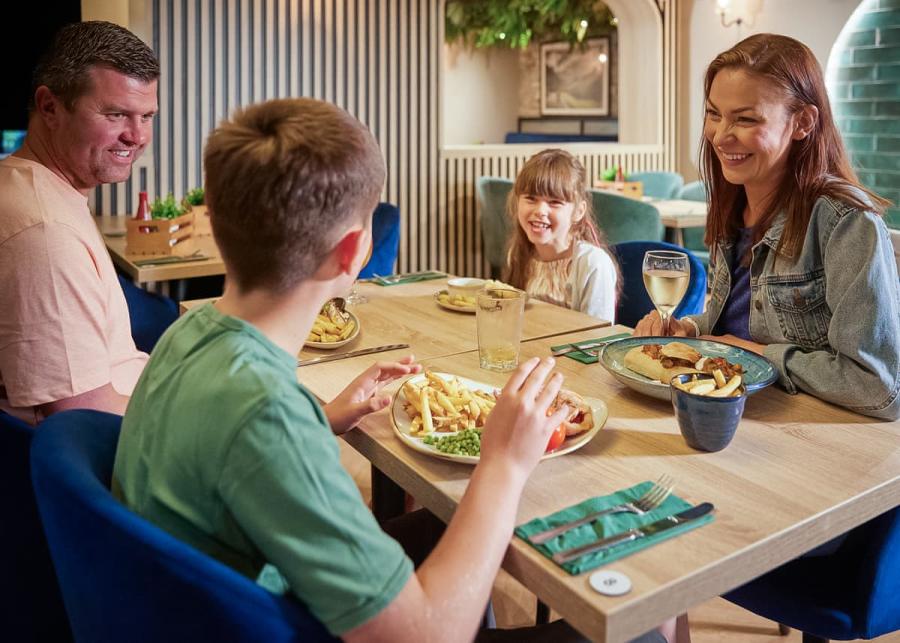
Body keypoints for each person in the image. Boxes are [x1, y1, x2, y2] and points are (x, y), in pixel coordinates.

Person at [113, 98, 676, 643]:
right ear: (354, 250)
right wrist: (503, 462)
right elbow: (429, 635)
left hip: (219, 604)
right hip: (296, 620)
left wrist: (325, 416)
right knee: (648, 628)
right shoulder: (265, 414)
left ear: (216, 225)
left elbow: (236, 438)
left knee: (441, 517)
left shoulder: (187, 333)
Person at [635, 34, 900, 421]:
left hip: (813, 439)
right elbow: (737, 323)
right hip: (738, 417)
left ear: (803, 122)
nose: (721, 136)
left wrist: (752, 354)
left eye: (745, 118)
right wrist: (690, 330)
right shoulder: (734, 203)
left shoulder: (846, 222)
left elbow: (877, 386)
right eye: (714, 114)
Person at [0, 21, 159, 424]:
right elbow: (83, 420)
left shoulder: (31, 181)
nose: (136, 136)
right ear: (50, 107)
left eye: (147, 116)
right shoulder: (45, 233)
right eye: (116, 114)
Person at [504, 148, 619, 322]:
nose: (540, 210)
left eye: (555, 202)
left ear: (578, 211)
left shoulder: (593, 264)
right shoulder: (518, 252)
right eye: (531, 199)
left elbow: (597, 339)